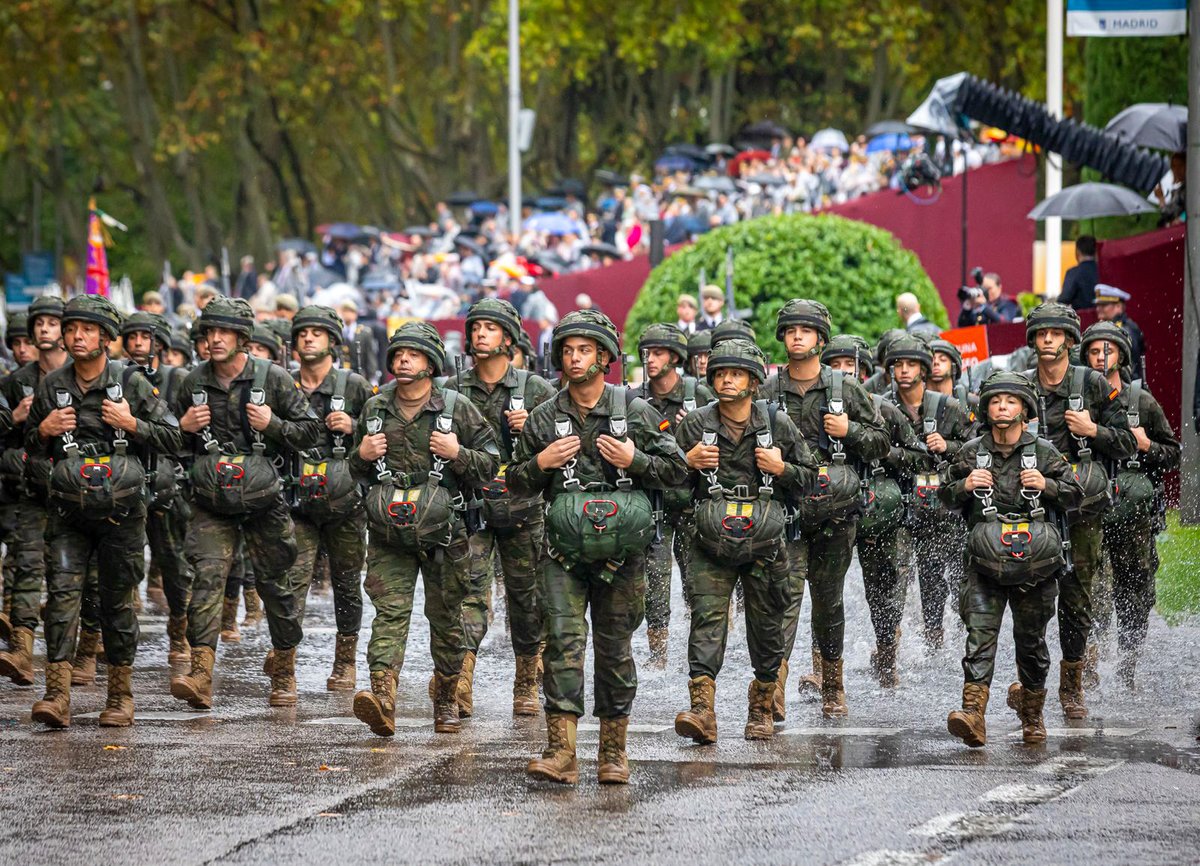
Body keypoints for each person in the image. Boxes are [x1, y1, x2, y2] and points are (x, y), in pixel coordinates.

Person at [508, 310, 686, 785]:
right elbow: (514, 482)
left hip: (622, 557)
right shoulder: (546, 416)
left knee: (614, 649)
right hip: (562, 556)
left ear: (605, 358)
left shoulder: (636, 410)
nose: (573, 357)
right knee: (563, 643)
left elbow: (678, 473)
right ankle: (560, 751)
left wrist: (637, 459)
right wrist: (541, 462)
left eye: (584, 349)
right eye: (567, 350)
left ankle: (613, 753)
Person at [26, 296, 179, 729]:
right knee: (60, 600)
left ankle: (120, 696)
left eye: (87, 330)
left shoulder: (131, 384)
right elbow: (28, 449)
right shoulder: (52, 386)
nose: (76, 336)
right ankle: (56, 695)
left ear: (107, 339)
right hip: (68, 515)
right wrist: (43, 430)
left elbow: (172, 439)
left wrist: (133, 425)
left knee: (116, 604)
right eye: (71, 328)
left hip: (123, 515)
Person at [170, 297, 321, 710]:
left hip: (262, 501)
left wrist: (271, 423)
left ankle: (285, 668)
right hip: (210, 502)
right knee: (206, 579)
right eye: (208, 332)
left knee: (277, 585)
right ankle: (200, 673)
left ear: (243, 338)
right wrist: (183, 430)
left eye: (223, 333)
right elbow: (166, 440)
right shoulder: (191, 382)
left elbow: (311, 432)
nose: (214, 340)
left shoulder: (272, 378)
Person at [349, 323, 497, 736]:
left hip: (444, 536)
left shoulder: (457, 407)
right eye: (397, 354)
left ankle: (447, 700)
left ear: (430, 363)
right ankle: (382, 699)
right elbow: (353, 469)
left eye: (412, 354)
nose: (402, 360)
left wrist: (457, 452)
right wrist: (361, 455)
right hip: (388, 535)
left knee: (447, 617)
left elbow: (489, 463)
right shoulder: (375, 409)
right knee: (389, 614)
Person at [673, 338, 815, 743]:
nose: (726, 380)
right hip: (709, 543)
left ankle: (762, 705)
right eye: (720, 373)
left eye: (735, 374)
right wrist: (689, 463)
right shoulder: (696, 424)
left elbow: (809, 478)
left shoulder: (776, 423)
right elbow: (664, 482)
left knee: (768, 624)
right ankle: (702, 710)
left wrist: (782, 467)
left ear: (753, 381)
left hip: (766, 543)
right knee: (706, 621)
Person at [941, 371, 1083, 747]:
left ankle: (1033, 715)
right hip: (983, 566)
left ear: (1024, 409)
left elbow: (1076, 496)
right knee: (979, 639)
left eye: (1011, 402)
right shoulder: (971, 452)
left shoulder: (1046, 453)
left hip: (1035, 569)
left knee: (1032, 644)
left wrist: (1047, 485)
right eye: (995, 401)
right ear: (986, 409)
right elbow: (943, 496)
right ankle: (973, 714)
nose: (1002, 407)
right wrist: (965, 485)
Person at [763, 300, 889, 718]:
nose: (798, 336)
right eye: (791, 330)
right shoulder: (767, 391)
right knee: (783, 598)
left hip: (836, 514)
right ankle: (771, 690)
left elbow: (880, 443)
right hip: (784, 512)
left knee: (829, 602)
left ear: (821, 339)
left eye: (807, 330)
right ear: (782, 337)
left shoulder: (844, 389)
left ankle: (833, 685)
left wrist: (848, 430)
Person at [443, 299, 556, 716]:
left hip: (523, 507)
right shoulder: (452, 389)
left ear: (508, 338)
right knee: (468, 593)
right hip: (472, 506)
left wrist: (533, 431)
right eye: (475, 328)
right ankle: (461, 680)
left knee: (527, 600)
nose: (479, 334)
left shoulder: (536, 390)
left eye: (490, 328)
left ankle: (526, 679)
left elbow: (565, 451)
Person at [1021, 302, 1134, 719]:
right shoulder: (1021, 386)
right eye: (1041, 333)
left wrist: (1093, 431)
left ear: (1070, 340)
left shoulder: (1093, 384)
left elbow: (1126, 442)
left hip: (1083, 510)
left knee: (1076, 599)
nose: (1048, 340)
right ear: (1032, 340)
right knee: (1030, 598)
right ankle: (1030, 683)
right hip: (1033, 508)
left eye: (1056, 333)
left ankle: (1072, 685)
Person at [1079, 322, 1179, 687]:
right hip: (1092, 512)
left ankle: (1127, 666)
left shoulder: (1142, 401)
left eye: (1109, 348)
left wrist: (1147, 445)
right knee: (1092, 589)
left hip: (1135, 521)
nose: (1101, 354)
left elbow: (1173, 455)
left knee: (1135, 593)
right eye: (1094, 349)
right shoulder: (1081, 401)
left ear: (1121, 354)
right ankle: (1087, 667)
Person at [282, 306, 374, 691]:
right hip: (297, 500)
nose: (308, 339)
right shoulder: (283, 382)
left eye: (317, 333)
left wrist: (353, 427)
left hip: (345, 501)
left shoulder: (352, 385)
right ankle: (284, 668)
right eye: (303, 333)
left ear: (332, 342)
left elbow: (377, 435)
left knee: (347, 583)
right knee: (290, 582)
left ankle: (345, 661)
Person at [823, 334, 920, 689]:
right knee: (826, 591)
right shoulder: (814, 411)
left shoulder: (885, 409)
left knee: (882, 589)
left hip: (878, 513)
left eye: (850, 367)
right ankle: (823, 670)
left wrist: (885, 455)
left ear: (864, 372)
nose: (844, 373)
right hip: (831, 511)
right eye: (835, 367)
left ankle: (886, 655)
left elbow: (919, 458)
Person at [627, 323, 716, 667]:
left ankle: (701, 652)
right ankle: (658, 653)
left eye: (659, 353)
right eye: (647, 353)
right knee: (654, 581)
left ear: (676, 358)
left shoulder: (701, 394)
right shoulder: (635, 400)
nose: (651, 360)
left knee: (699, 580)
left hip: (694, 502)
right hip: (655, 504)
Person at [884, 335, 973, 648]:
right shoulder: (884, 407)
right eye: (899, 365)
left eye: (912, 365)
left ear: (924, 369)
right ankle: (900, 643)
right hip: (901, 507)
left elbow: (979, 450)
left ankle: (964, 639)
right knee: (900, 577)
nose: (905, 371)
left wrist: (947, 446)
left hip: (945, 509)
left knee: (954, 577)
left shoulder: (949, 407)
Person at [0, 297, 70, 687]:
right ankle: (22, 651)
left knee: (67, 578)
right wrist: (16, 418)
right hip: (32, 490)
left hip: (79, 496)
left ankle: (74, 655)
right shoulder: (15, 382)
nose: (44, 329)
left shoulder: (85, 378)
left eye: (52, 323)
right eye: (38, 323)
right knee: (26, 566)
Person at [119, 312, 194, 666]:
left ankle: (180, 629)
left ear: (160, 345)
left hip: (168, 483)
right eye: (130, 336)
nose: (136, 343)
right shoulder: (117, 377)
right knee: (121, 561)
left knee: (174, 562)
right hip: (126, 481)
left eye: (144, 338)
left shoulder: (178, 379)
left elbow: (192, 432)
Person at [1093, 285, 1146, 382]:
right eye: (1098, 305)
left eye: (1104, 305)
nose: (1098, 309)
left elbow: (1129, 366)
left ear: (1118, 306)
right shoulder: (1107, 327)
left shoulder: (1125, 330)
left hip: (1126, 388)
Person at [339, 300, 380, 384]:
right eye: (345, 311)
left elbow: (370, 355)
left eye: (351, 311)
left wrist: (372, 376)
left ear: (355, 314)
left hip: (360, 373)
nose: (348, 314)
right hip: (343, 374)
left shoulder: (364, 332)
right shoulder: (340, 332)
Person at [1059, 236, 1098, 311]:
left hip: (1082, 319)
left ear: (1077, 252)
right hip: (1105, 320)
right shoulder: (1104, 271)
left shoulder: (1073, 273)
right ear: (1096, 251)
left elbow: (1064, 299)